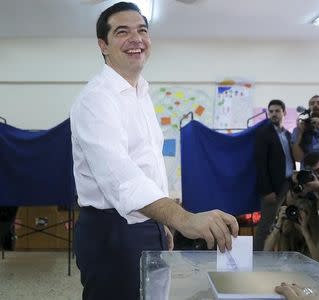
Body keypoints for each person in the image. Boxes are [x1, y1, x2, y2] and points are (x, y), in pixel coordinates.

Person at [70, 3, 239, 299]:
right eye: (122, 32)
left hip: (148, 223)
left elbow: (149, 169)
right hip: (112, 232)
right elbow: (121, 178)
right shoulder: (96, 99)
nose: (136, 39)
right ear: (103, 45)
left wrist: (161, 225)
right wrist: (183, 219)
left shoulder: (142, 94)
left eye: (142, 31)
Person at [254, 99, 295, 251]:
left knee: (290, 221)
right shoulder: (263, 133)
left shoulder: (288, 135)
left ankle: (286, 255)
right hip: (274, 187)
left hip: (291, 184)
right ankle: (257, 258)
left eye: (277, 111)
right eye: (271, 111)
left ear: (284, 112)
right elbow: (260, 164)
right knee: (266, 225)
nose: (273, 114)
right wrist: (266, 190)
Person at [263, 180, 319, 264]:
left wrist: (305, 232)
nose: (299, 215)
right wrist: (278, 225)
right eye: (298, 210)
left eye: (304, 211)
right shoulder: (287, 227)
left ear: (310, 215)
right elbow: (266, 251)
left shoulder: (317, 231)